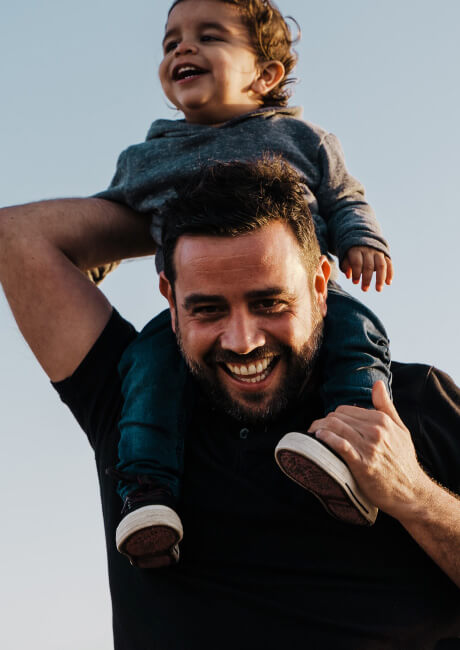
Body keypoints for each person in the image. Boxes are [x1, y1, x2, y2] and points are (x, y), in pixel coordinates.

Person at [0, 158, 458, 649]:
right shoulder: (133, 408)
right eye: (208, 309)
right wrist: (169, 212)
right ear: (171, 304)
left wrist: (414, 494)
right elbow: (16, 236)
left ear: (321, 287)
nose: (242, 341)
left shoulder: (407, 401)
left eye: (269, 304)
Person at [91, 0, 395, 566]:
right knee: (148, 364)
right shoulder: (147, 157)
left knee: (359, 333)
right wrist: (89, 267)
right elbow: (110, 216)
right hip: (201, 308)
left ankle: (348, 450)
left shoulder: (302, 139)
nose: (183, 48)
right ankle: (148, 493)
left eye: (209, 37)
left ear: (266, 74)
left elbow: (343, 195)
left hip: (300, 307)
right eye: (171, 42)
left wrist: (362, 239)